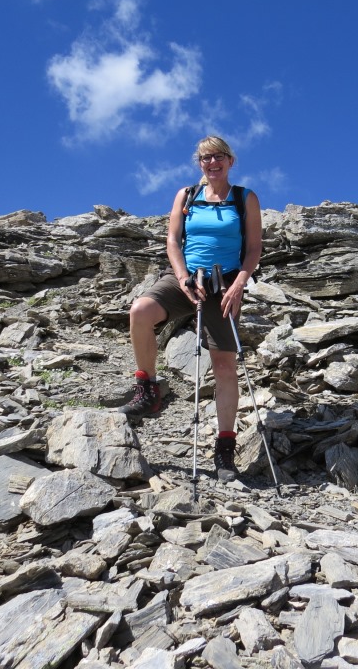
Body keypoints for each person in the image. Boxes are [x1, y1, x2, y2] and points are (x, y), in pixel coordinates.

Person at [119, 136, 263, 481]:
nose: (212, 163)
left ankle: (225, 450)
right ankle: (148, 390)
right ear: (199, 163)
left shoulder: (245, 198)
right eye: (205, 158)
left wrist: (240, 283)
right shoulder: (187, 195)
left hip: (225, 283)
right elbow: (172, 241)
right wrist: (183, 278)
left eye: (218, 156)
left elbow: (254, 248)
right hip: (185, 277)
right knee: (140, 311)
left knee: (224, 365)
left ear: (230, 161)